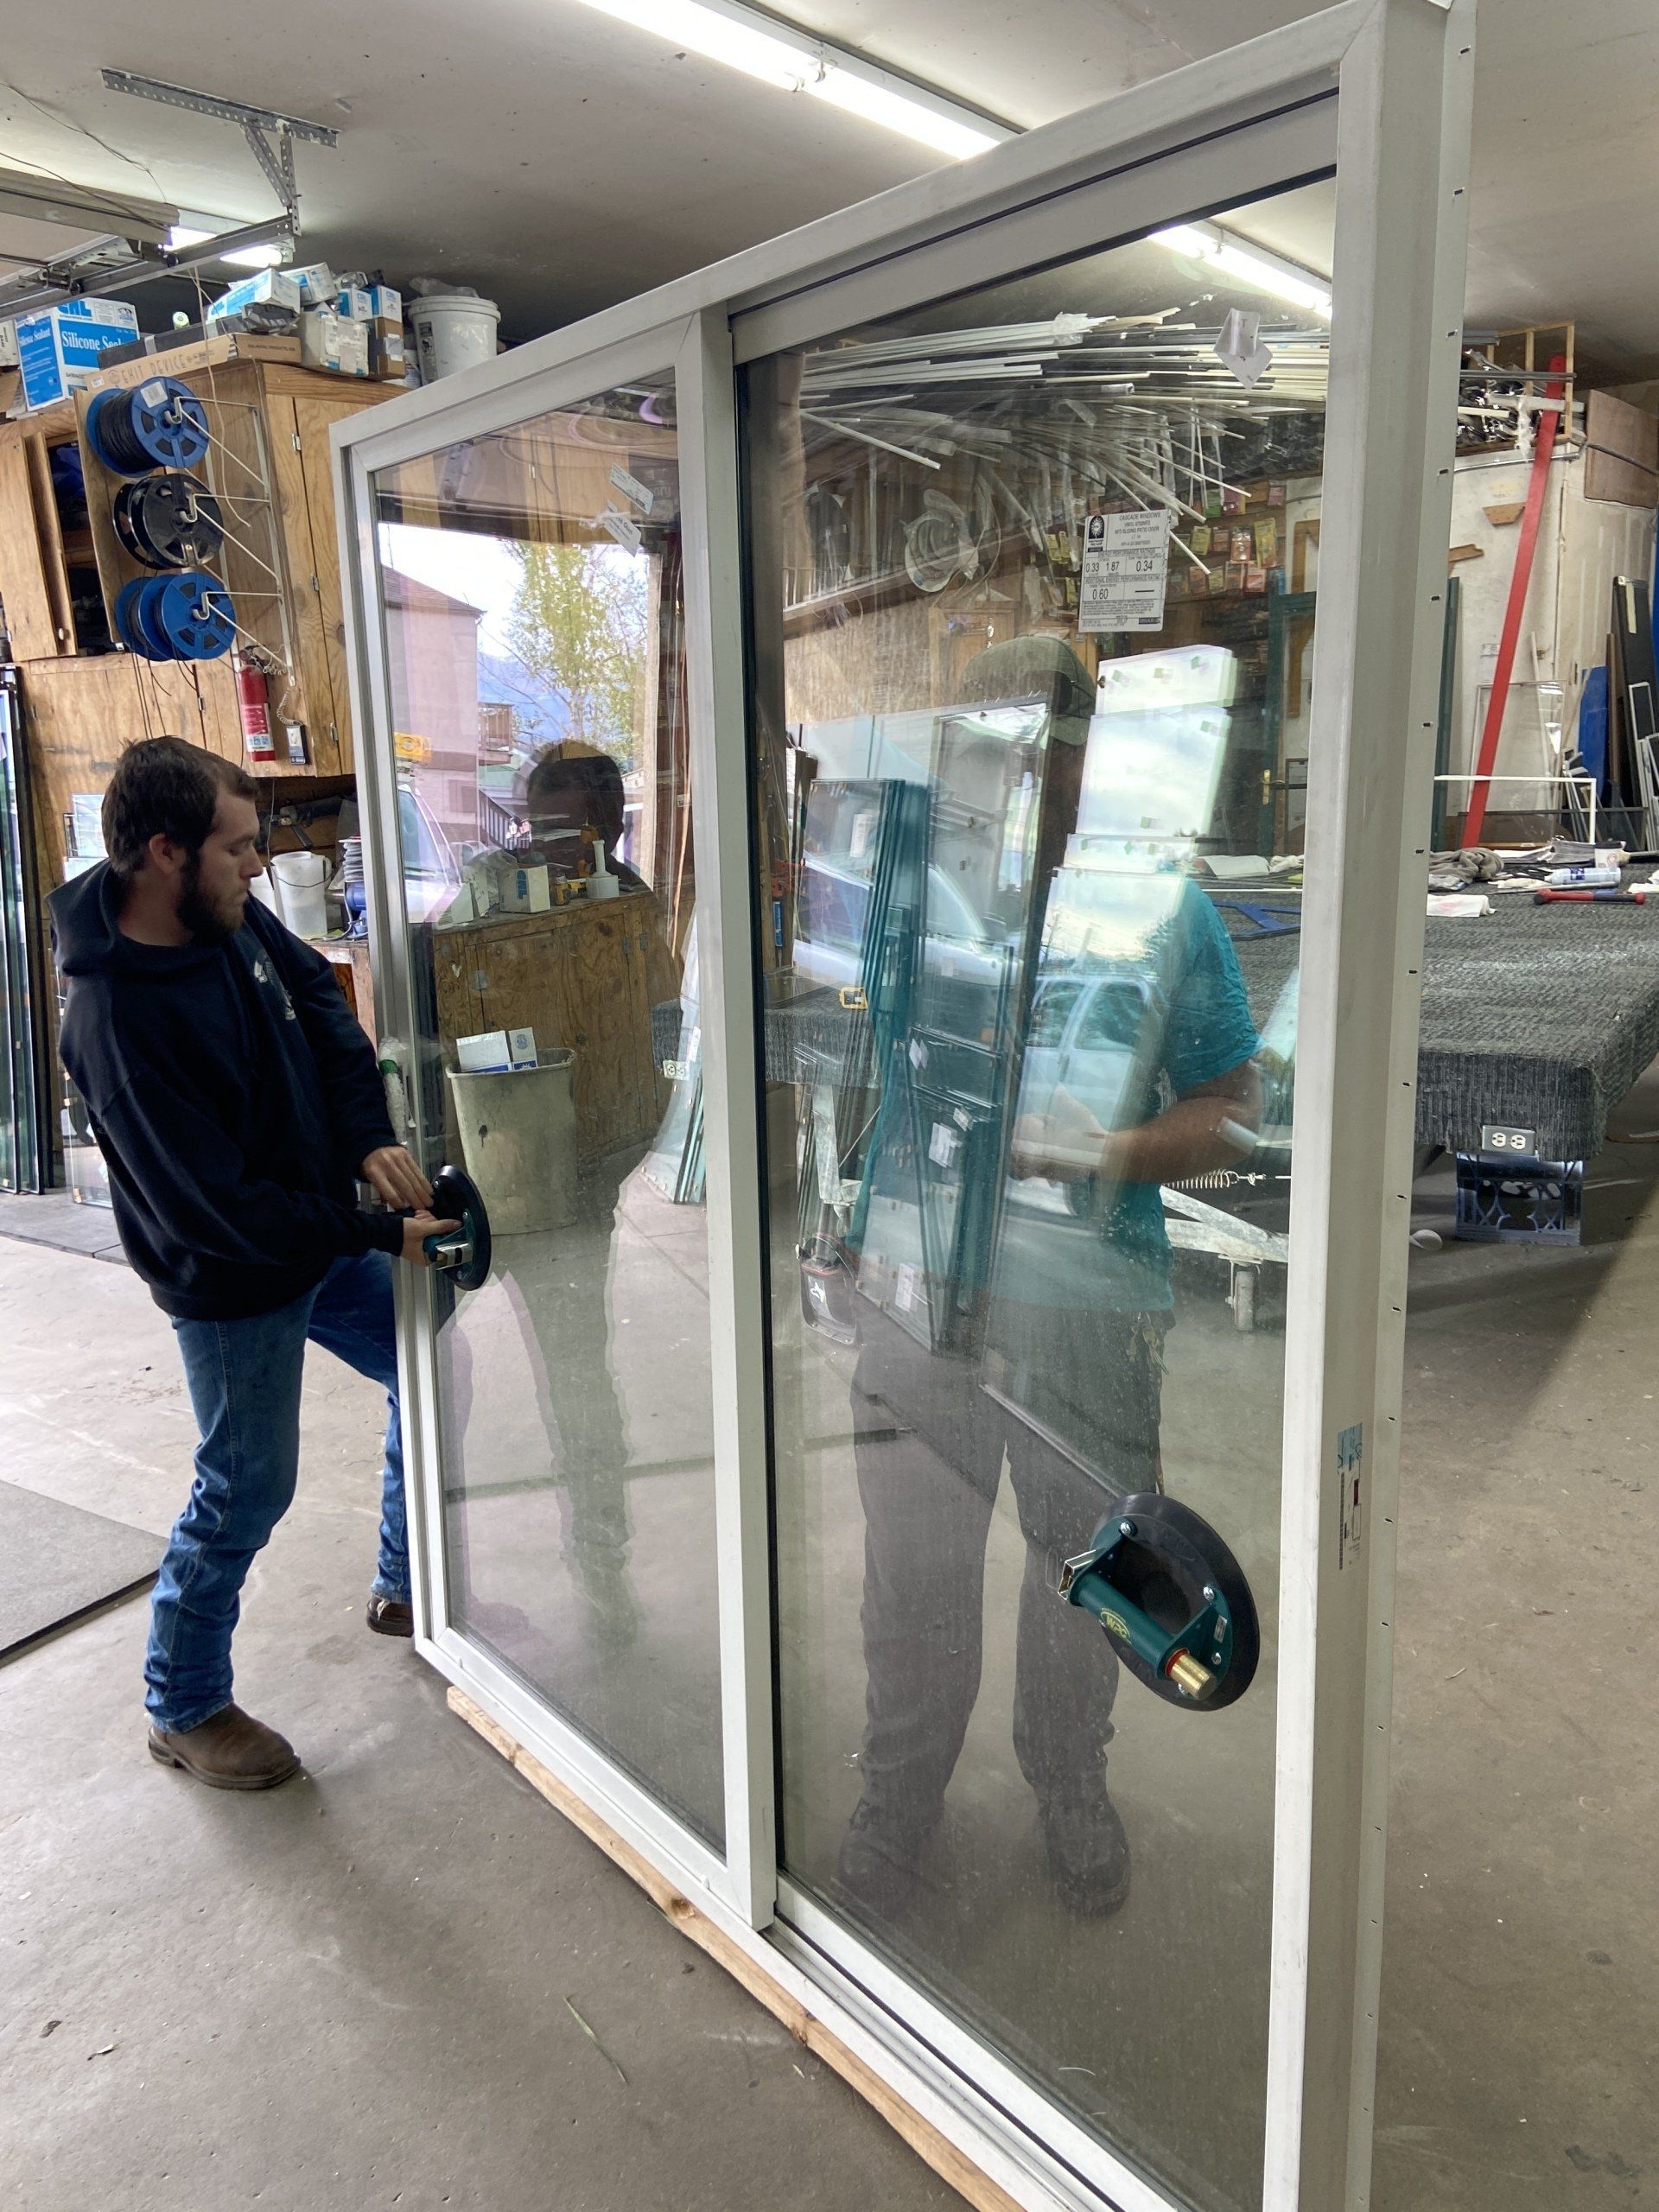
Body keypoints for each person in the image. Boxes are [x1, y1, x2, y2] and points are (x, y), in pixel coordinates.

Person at [836, 639, 1262, 1924]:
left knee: (1087, 1569)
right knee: (910, 1573)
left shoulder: (1163, 908)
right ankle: (900, 1795)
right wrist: (850, 1215)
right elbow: (868, 1063)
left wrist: (1114, 1153)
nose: (1021, 776)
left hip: (1089, 1304)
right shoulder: (925, 898)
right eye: (995, 747)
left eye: (1046, 749)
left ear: (1093, 758)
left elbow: (1230, 1102)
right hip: (919, 1290)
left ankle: (1069, 1781)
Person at [50, 738, 456, 1793]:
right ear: (162, 852)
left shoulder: (224, 914)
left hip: (315, 1226)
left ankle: (409, 1579)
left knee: (427, 1357)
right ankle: (182, 1706)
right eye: (238, 848)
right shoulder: (115, 1024)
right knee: (245, 1487)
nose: (261, 866)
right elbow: (220, 1214)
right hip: (234, 1280)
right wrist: (372, 1231)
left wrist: (366, 1137)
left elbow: (324, 1010)